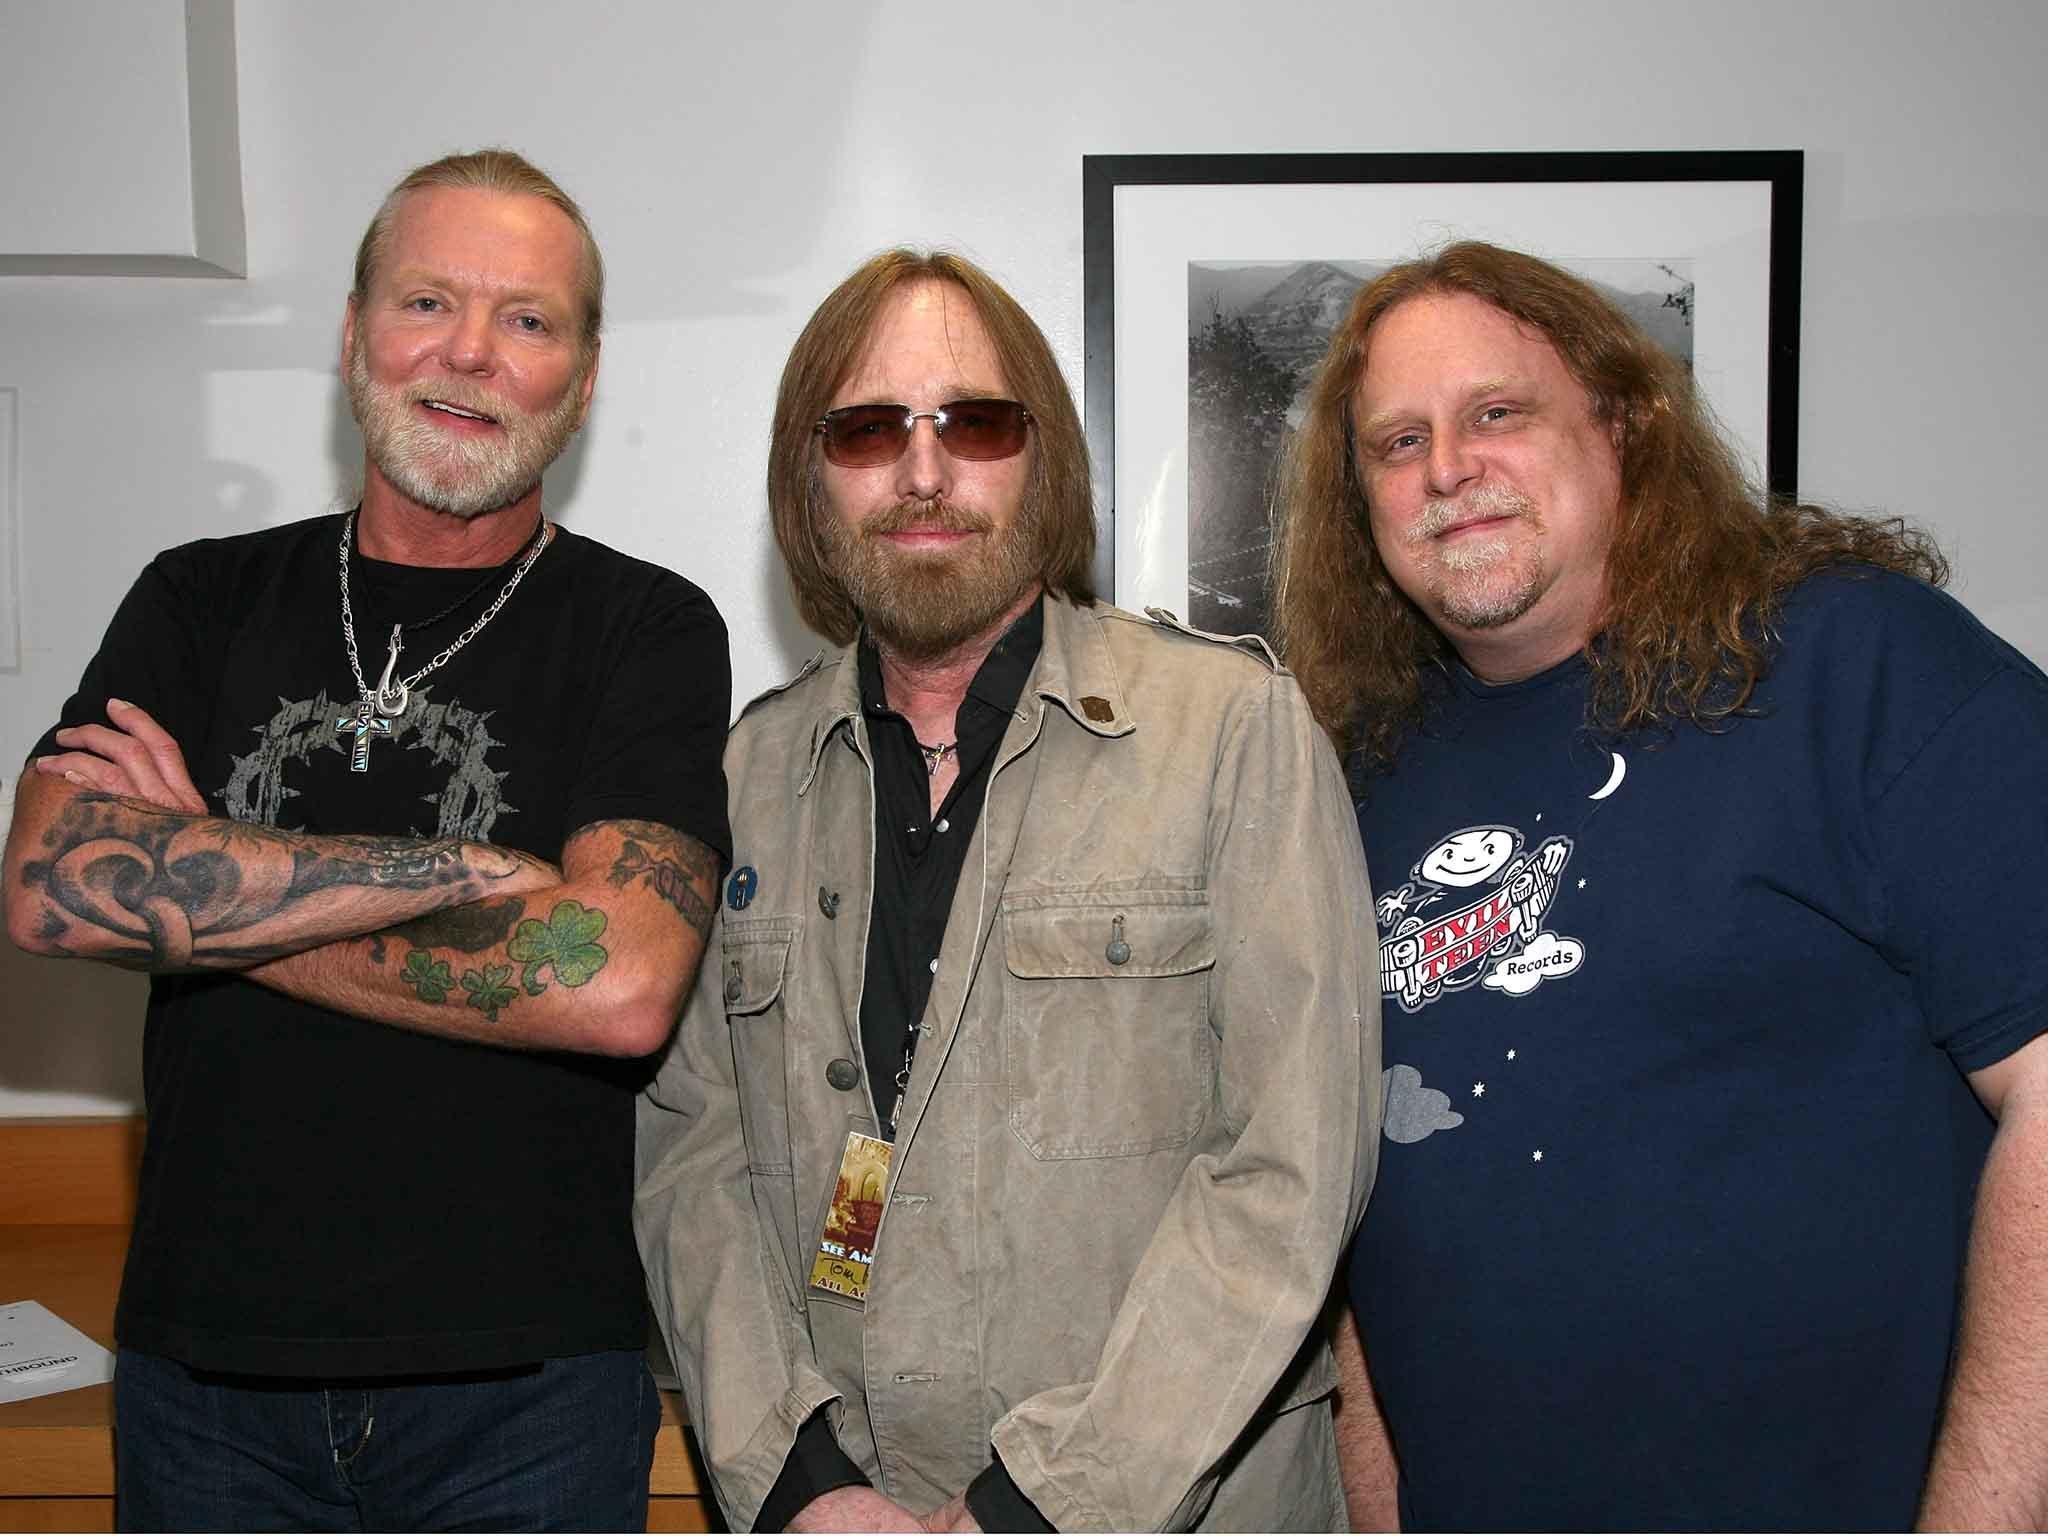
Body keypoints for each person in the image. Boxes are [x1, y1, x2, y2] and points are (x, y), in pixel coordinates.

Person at [2, 149, 731, 1531]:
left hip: (528, 1397)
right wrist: (464, 871)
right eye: (426, 302)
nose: (469, 352)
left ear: (579, 381)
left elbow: (619, 983)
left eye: (528, 321)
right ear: (351, 339)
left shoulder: (647, 628)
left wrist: (202, 875)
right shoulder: (200, 598)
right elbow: (49, 889)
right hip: (204, 1384)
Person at [1271, 240, 2048, 1531]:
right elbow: (1360, 1194)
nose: (1447, 469)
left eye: (1496, 414)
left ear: (1624, 422)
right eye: (1396, 445)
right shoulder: (1352, 774)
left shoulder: (1856, 668)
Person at [635, 249, 1380, 1533]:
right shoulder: (742, 773)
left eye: (974, 423)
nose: (924, 472)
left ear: (1043, 462)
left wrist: (1042, 1507)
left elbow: (1289, 1169)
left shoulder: (1231, 733)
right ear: (809, 483)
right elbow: (692, 1154)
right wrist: (801, 1482)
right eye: (868, 430)